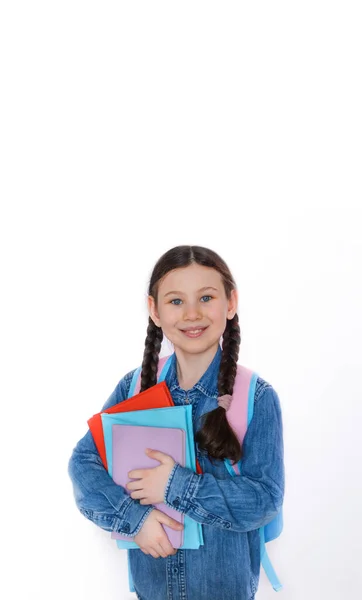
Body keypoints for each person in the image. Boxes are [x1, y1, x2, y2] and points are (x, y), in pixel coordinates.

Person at [68, 245, 284, 600]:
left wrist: (175, 487)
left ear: (230, 303)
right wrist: (133, 519)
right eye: (176, 301)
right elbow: (83, 464)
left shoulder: (255, 397)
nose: (192, 314)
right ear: (154, 310)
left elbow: (264, 500)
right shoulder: (134, 386)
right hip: (150, 590)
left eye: (206, 297)